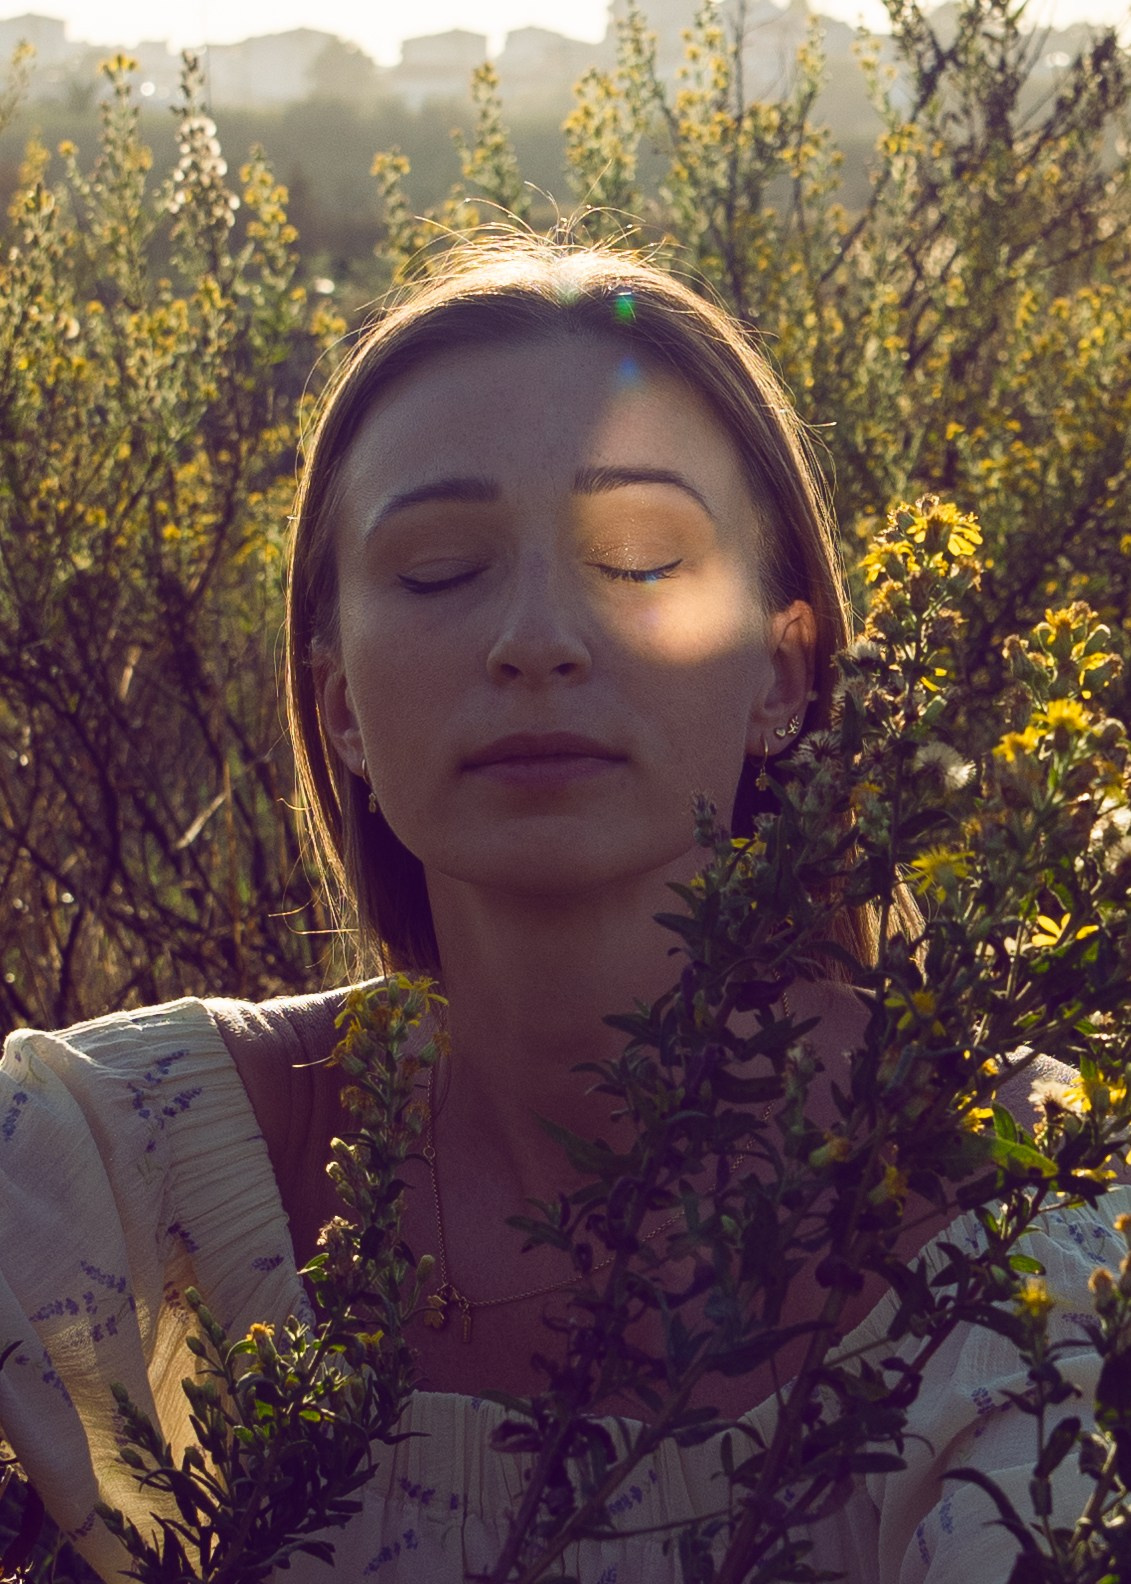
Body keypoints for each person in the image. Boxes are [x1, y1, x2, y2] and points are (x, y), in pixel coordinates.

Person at [0, 239, 1126, 1584]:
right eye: (435, 570)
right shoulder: (137, 1159)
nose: (537, 636)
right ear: (340, 703)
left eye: (643, 557)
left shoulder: (1018, 1211)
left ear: (782, 673)